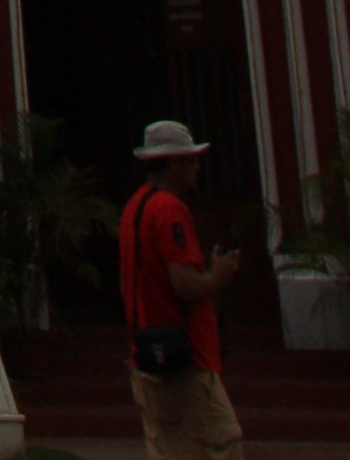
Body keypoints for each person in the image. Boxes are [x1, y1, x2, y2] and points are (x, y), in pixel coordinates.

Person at [119, 120, 243, 460]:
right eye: (191, 160)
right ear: (175, 163)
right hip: (184, 360)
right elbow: (185, 283)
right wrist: (218, 275)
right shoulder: (169, 210)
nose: (197, 169)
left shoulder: (133, 209)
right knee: (222, 445)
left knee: (169, 450)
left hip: (147, 354)